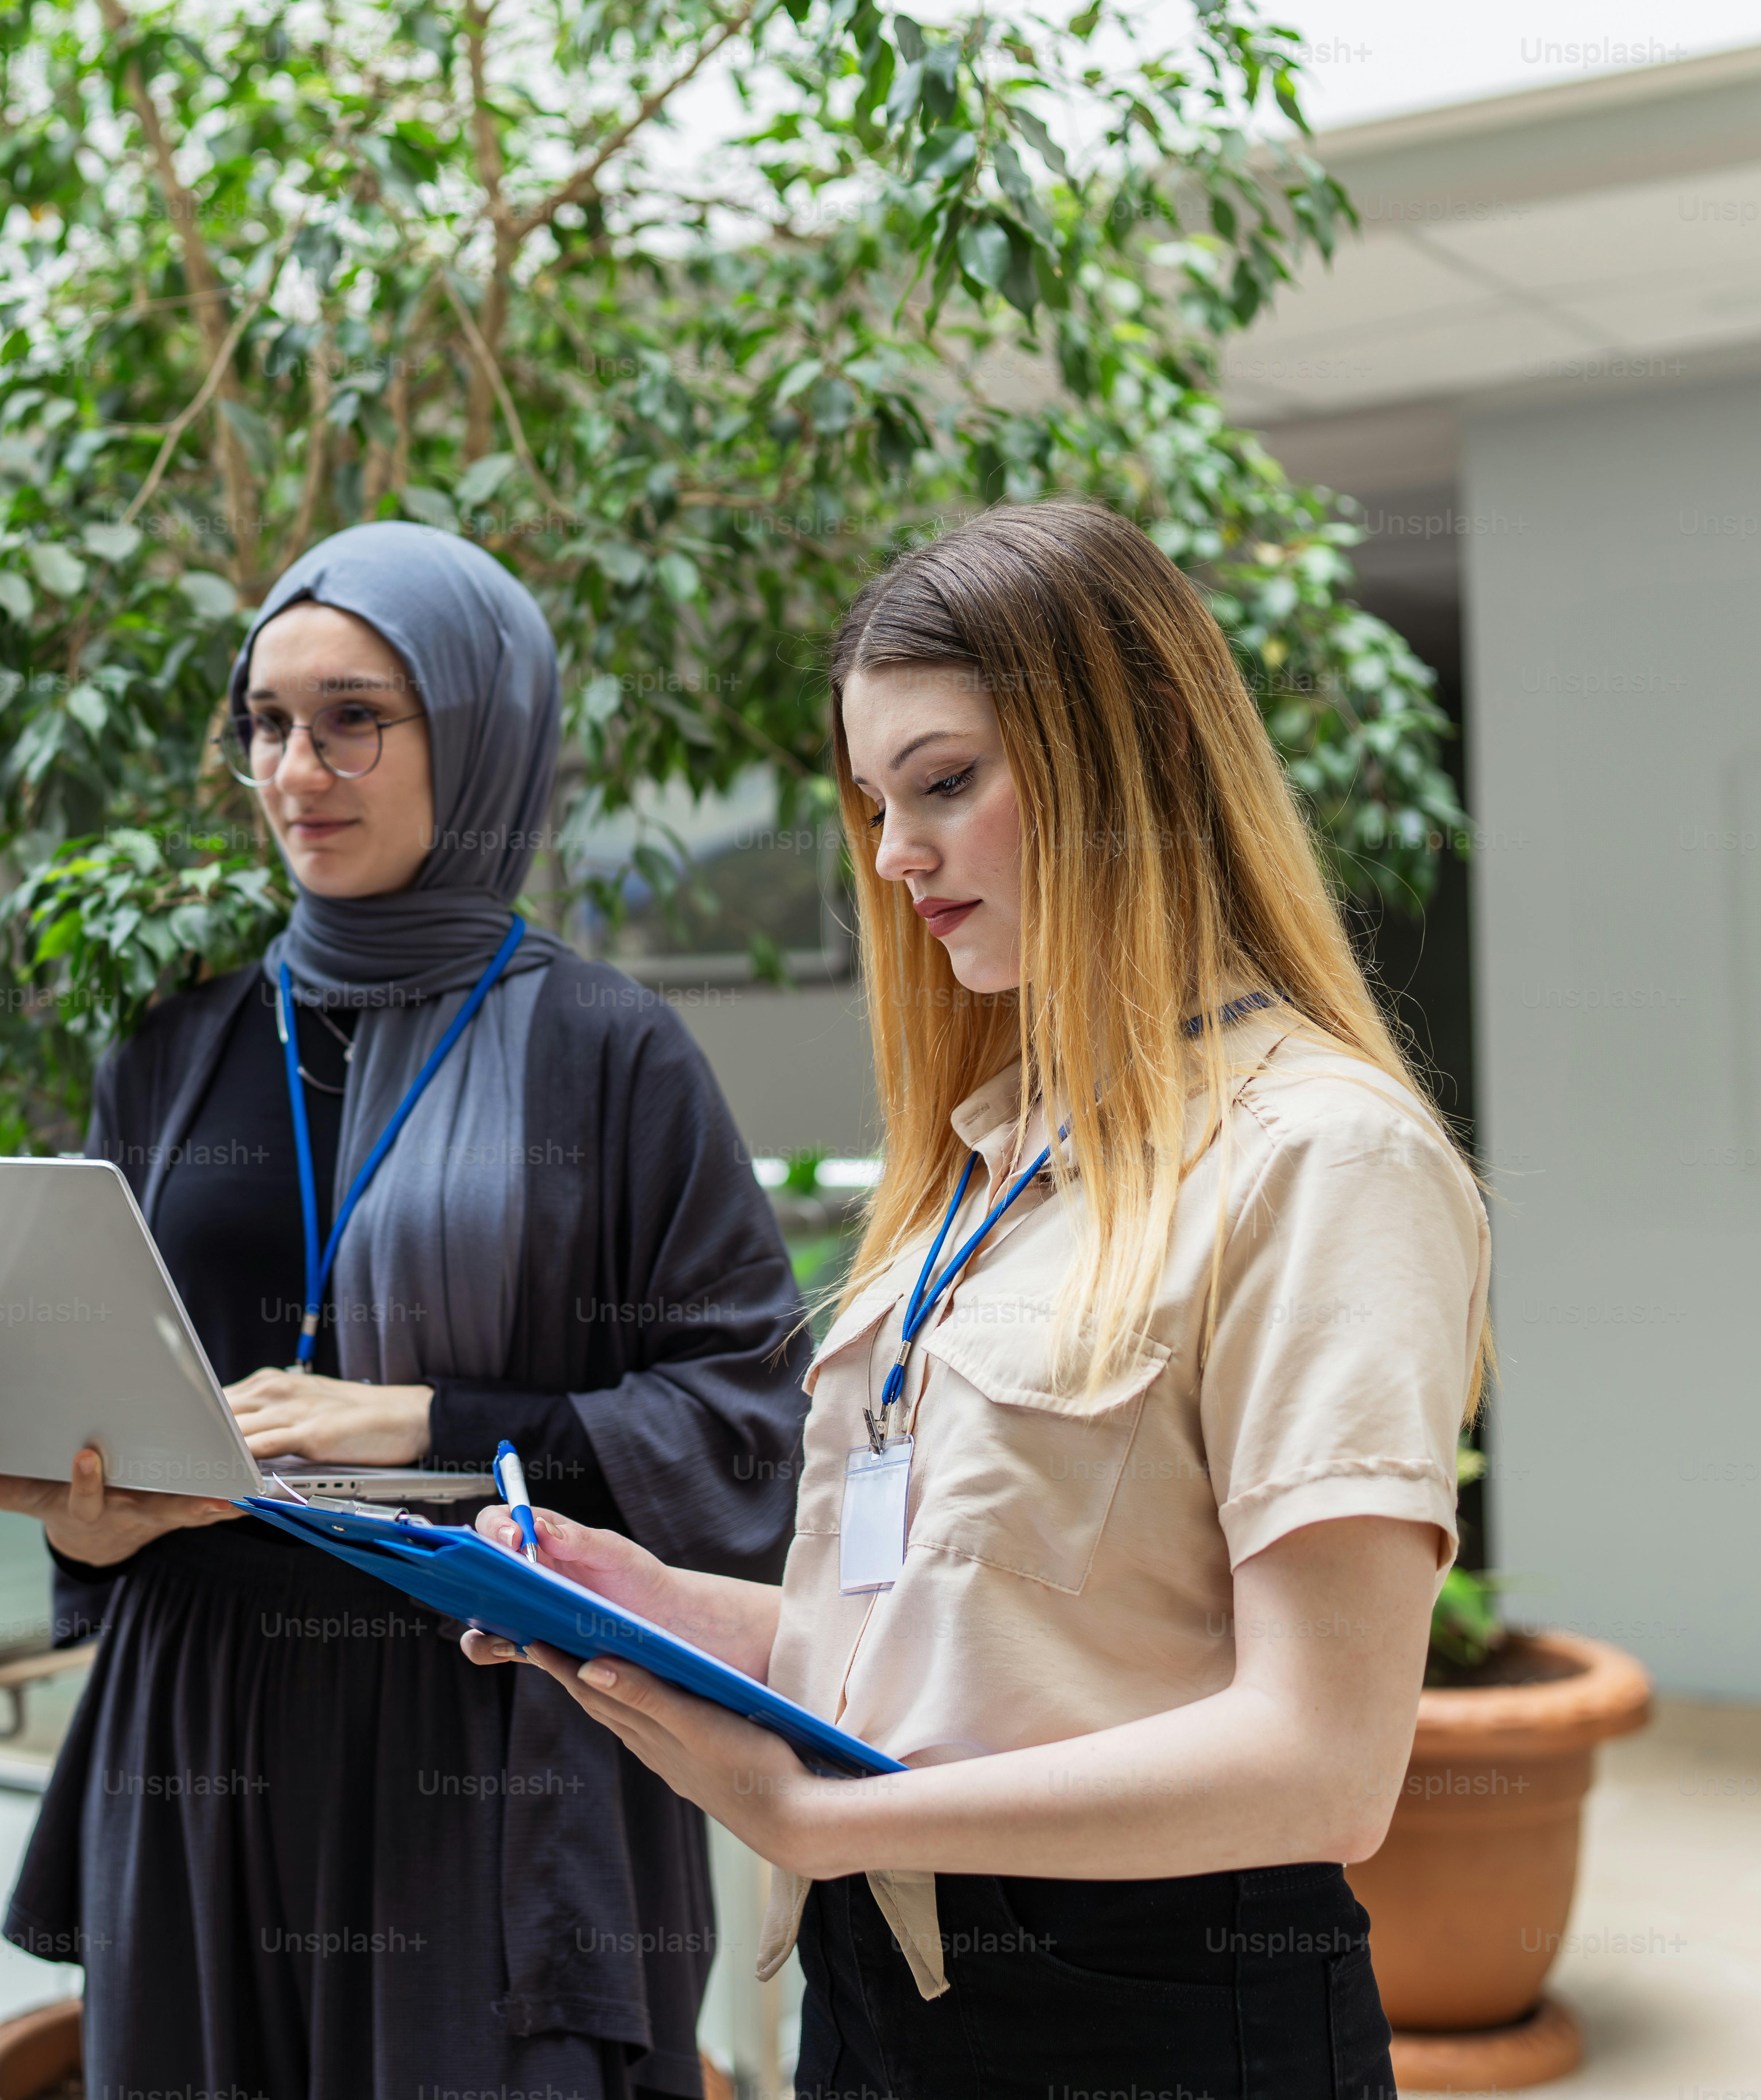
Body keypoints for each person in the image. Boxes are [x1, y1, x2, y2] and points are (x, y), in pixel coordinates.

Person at [462, 501, 1486, 2096]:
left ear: (1132, 768)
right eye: (874, 803)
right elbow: (961, 1648)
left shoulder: (1324, 1158)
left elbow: (1325, 1766)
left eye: (945, 784)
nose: (893, 857)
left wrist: (818, 1816)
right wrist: (649, 1603)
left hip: (1152, 2007)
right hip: (881, 1988)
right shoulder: (987, 1151)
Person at [0, 521, 809, 2099]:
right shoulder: (181, 1045)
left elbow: (751, 1425)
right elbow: (104, 1380)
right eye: (268, 724)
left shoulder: (608, 1053)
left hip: (486, 1727)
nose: (298, 768)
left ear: (476, 735)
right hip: (203, 1727)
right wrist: (84, 1515)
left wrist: (430, 1425)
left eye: (355, 718)